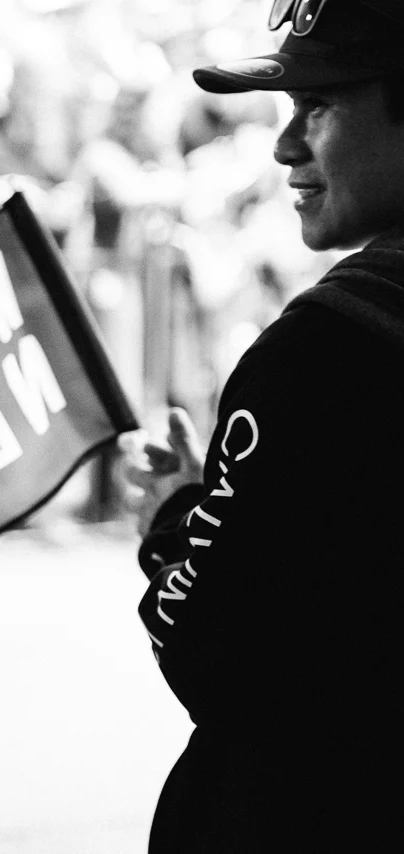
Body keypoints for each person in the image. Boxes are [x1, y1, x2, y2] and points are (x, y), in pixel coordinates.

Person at [124, 1, 404, 850]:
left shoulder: (327, 346)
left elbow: (218, 651)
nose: (284, 145)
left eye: (318, 107)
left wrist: (173, 521)